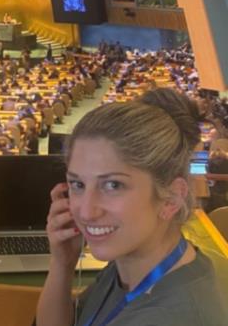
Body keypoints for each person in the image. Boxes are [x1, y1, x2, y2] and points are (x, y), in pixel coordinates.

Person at [37, 88, 228, 326]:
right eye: (78, 184)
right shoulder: (131, 264)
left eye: (113, 185)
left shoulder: (171, 316)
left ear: (171, 198)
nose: (86, 212)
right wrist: (62, 264)